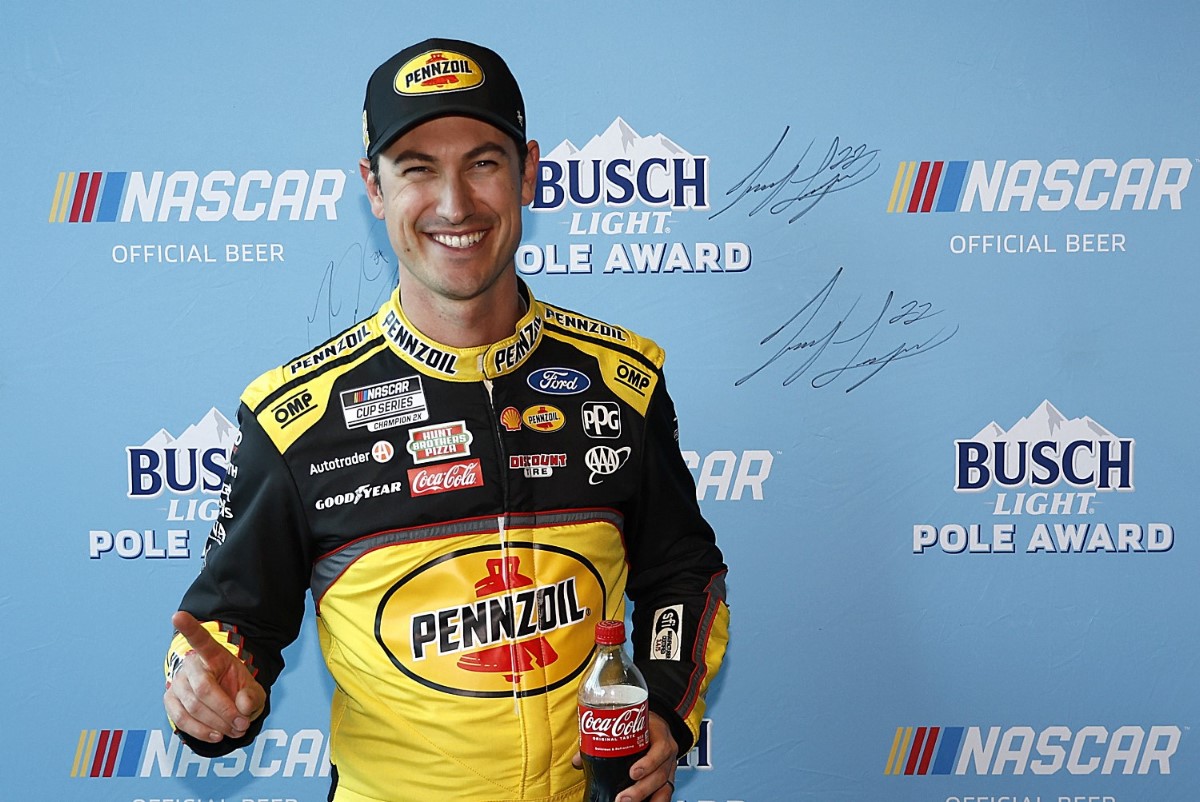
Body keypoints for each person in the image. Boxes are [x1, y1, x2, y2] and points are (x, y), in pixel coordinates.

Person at [162, 37, 729, 802]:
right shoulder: (295, 420)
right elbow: (231, 628)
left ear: (529, 171)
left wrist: (662, 707)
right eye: (418, 168)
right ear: (373, 186)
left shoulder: (621, 384)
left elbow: (683, 574)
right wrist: (209, 691)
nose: (456, 205)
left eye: (484, 162)